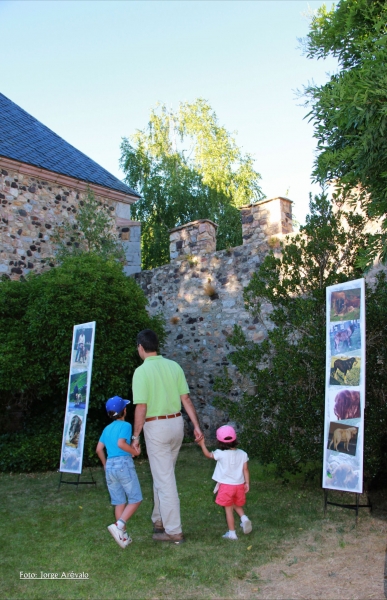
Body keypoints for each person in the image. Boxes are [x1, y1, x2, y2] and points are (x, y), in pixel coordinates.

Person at [131, 329, 203, 544]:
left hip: (157, 428)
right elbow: (187, 400)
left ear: (141, 348)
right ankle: (159, 519)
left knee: (165, 479)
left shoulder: (141, 372)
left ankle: (173, 530)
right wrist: (196, 427)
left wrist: (136, 436)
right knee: (162, 474)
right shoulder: (174, 366)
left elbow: (141, 407)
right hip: (176, 424)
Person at [96, 395, 142, 549]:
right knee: (135, 499)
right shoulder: (126, 426)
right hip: (123, 464)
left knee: (119, 501)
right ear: (124, 410)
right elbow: (121, 444)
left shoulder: (106, 429)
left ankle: (122, 537)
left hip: (110, 466)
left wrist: (105, 464)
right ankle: (119, 526)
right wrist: (134, 453)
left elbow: (99, 449)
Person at [196, 425, 252, 540]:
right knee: (235, 503)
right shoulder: (242, 453)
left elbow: (208, 455)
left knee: (228, 510)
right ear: (235, 439)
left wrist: (202, 444)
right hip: (239, 485)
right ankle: (244, 518)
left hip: (226, 487)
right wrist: (247, 483)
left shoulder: (220, 453)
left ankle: (232, 533)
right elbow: (245, 469)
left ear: (219, 441)